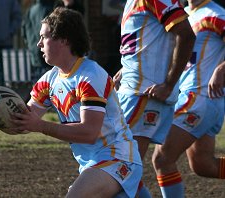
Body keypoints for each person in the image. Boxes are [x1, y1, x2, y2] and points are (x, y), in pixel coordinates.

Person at [9, 7, 142, 197]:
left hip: (118, 159)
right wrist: (5, 117)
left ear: (63, 40)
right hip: (92, 163)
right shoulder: (49, 80)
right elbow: (28, 120)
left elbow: (89, 132)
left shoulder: (90, 76)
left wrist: (40, 126)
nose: (38, 43)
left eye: (44, 37)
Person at [113, 0, 195, 196]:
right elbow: (146, 42)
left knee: (119, 172)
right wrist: (125, 70)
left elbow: (186, 35)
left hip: (142, 95)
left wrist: (168, 84)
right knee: (121, 171)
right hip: (133, 92)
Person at [152, 0, 225, 197]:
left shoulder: (215, 14)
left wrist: (221, 68)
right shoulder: (180, 14)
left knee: (162, 158)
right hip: (197, 99)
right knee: (203, 165)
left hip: (200, 98)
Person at [22, 0, 54, 82]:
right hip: (47, 55)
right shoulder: (50, 9)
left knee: (37, 86)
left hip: (33, 53)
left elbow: (23, 32)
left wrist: (30, 44)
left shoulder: (30, 10)